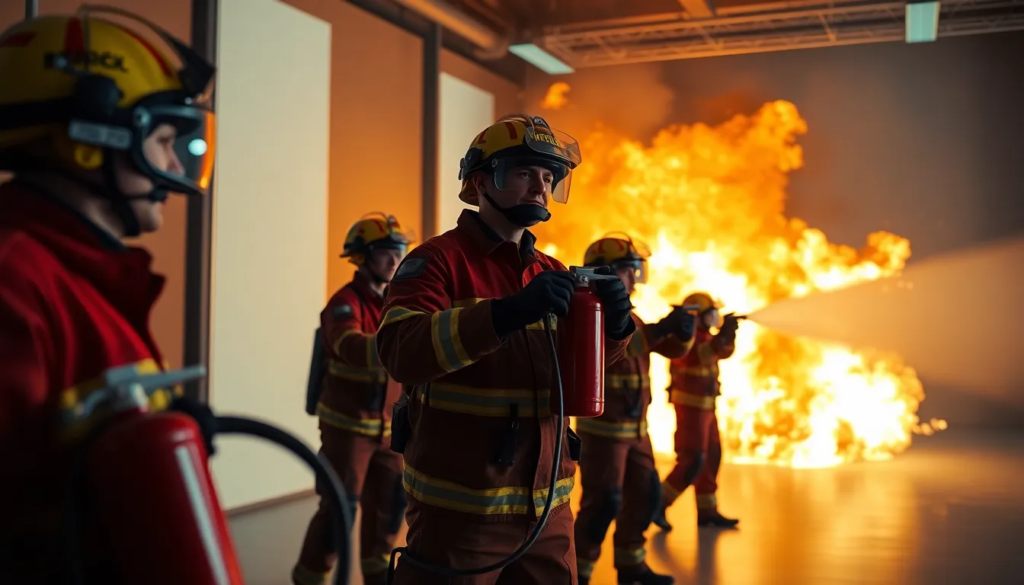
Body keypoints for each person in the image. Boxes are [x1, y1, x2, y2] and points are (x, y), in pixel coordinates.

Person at [0, 8, 216, 583]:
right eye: (165, 138)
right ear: (91, 140)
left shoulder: (78, 273)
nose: (174, 165)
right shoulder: (13, 280)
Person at [376, 114, 637, 584]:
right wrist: (503, 314)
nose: (539, 185)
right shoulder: (435, 262)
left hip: (550, 511)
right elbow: (400, 350)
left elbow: (580, 374)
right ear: (480, 181)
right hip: (462, 514)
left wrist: (615, 327)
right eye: (523, 172)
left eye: (548, 176)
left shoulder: (552, 269)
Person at [293, 213, 412, 585]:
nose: (395, 260)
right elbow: (350, 348)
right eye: (385, 253)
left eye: (399, 252)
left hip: (391, 434)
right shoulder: (344, 304)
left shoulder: (399, 301)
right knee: (337, 513)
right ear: (362, 257)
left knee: (388, 514)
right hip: (348, 432)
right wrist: (406, 340)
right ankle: (310, 578)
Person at [573, 234, 696, 585]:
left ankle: (631, 565)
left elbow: (669, 350)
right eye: (628, 271)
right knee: (603, 504)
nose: (634, 279)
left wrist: (683, 333)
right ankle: (579, 574)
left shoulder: (631, 316)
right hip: (604, 433)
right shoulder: (589, 312)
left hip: (637, 432)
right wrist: (660, 330)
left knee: (645, 495)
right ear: (606, 272)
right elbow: (618, 350)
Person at [655, 292, 741, 530]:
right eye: (710, 315)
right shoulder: (685, 337)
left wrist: (728, 335)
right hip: (690, 409)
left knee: (712, 456)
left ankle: (707, 511)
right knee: (693, 460)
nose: (714, 319)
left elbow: (721, 352)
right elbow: (698, 357)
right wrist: (719, 338)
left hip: (706, 408)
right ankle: (658, 504)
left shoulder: (705, 336)